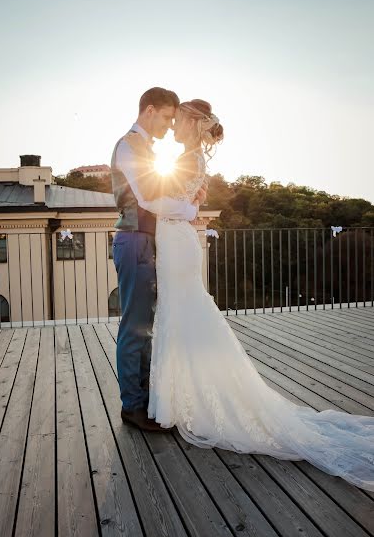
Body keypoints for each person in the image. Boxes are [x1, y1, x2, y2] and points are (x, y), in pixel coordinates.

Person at [143, 98, 374, 492]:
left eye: (179, 119)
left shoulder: (191, 159)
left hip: (177, 242)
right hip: (175, 241)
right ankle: (179, 399)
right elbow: (185, 204)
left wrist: (146, 199)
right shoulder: (189, 158)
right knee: (178, 314)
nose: (175, 124)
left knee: (183, 313)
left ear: (193, 124)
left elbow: (174, 205)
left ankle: (181, 401)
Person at [110, 87, 206, 432]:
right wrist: (191, 209)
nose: (169, 126)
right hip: (135, 240)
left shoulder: (146, 149)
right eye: (167, 117)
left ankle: (146, 399)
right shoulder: (128, 146)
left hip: (147, 242)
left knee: (146, 325)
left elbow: (161, 192)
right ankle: (132, 407)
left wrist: (187, 191)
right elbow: (150, 198)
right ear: (149, 110)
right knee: (135, 326)